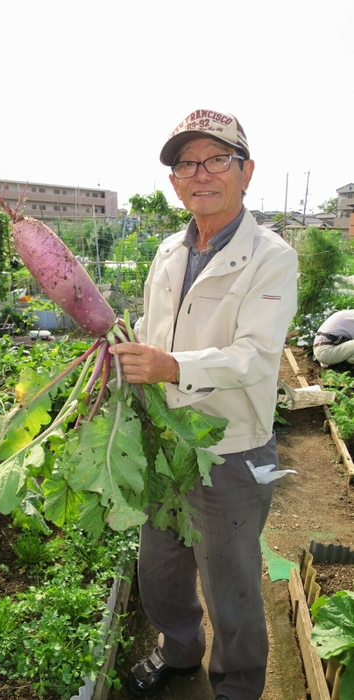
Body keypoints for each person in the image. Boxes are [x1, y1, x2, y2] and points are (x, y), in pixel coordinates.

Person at [108, 108, 298, 700]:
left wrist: (172, 367)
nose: (201, 173)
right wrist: (125, 348)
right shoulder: (168, 251)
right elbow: (153, 326)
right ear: (174, 182)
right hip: (164, 442)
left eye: (218, 159)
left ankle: (238, 686)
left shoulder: (272, 255)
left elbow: (256, 357)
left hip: (230, 449)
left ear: (246, 171)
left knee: (231, 582)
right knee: (161, 570)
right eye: (187, 163)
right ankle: (180, 652)